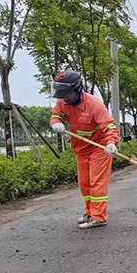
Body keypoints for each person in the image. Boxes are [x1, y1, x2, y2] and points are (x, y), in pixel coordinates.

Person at [49, 70, 119, 229]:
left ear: (77, 89)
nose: (64, 98)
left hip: (99, 148)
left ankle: (99, 217)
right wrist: (56, 123)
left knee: (97, 183)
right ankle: (89, 212)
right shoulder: (63, 102)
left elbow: (110, 127)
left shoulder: (94, 105)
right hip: (81, 150)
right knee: (84, 183)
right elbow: (55, 115)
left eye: (66, 94)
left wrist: (111, 143)